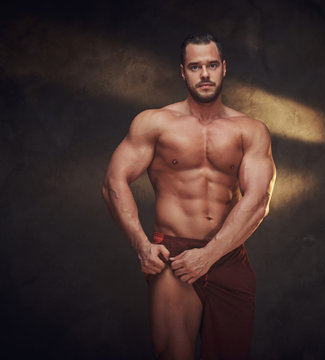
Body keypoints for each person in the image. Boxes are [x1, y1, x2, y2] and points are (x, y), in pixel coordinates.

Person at [102, 33, 276, 360]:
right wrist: (141, 244)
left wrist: (208, 256)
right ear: (183, 72)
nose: (205, 74)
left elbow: (258, 201)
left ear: (224, 68)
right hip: (174, 253)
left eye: (211, 65)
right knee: (173, 353)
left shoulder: (250, 130)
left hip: (227, 254)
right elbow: (113, 183)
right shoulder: (154, 123)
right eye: (195, 67)